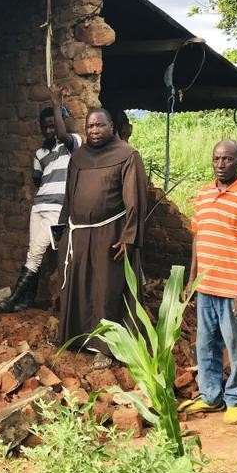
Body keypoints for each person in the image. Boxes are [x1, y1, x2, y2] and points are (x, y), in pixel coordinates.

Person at [178, 139, 237, 425]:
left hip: (233, 288)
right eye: (216, 158)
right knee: (205, 345)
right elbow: (198, 238)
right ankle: (210, 396)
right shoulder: (204, 194)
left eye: (227, 159)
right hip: (206, 287)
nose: (220, 164)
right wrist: (192, 278)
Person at [57, 108, 148, 370]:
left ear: (112, 127)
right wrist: (62, 228)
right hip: (79, 233)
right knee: (78, 285)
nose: (95, 131)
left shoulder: (127, 155)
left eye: (100, 125)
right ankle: (78, 336)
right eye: (90, 126)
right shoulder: (79, 157)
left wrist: (129, 236)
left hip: (111, 234)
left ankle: (106, 347)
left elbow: (135, 200)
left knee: (106, 289)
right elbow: (69, 196)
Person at [1, 85, 81, 312]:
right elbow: (37, 180)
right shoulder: (40, 153)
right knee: (33, 251)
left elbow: (63, 135)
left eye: (53, 125)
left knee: (37, 253)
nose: (49, 131)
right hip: (39, 207)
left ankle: (13, 301)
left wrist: (56, 103)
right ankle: (27, 299)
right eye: (45, 127)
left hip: (58, 209)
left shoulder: (72, 143)